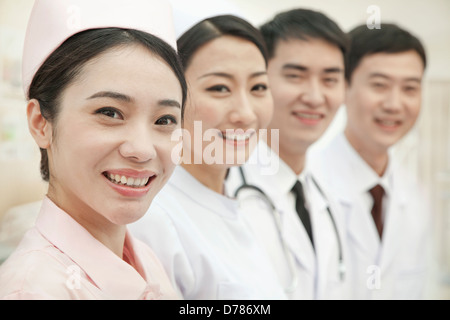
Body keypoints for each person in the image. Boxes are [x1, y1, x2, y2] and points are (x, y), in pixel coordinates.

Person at [0, 0, 187, 300]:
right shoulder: (32, 291)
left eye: (164, 120)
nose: (142, 150)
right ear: (40, 123)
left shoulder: (146, 261)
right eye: (110, 112)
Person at [130, 15, 286, 299]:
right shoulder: (153, 219)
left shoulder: (248, 202)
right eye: (219, 88)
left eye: (258, 87)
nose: (246, 114)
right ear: (172, 95)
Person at [226, 8, 350, 299]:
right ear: (258, 81)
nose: (315, 97)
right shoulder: (226, 191)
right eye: (295, 76)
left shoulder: (327, 195)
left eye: (330, 80)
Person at [308, 23, 432, 299]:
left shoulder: (414, 195)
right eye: (379, 85)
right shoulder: (308, 185)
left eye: (410, 88)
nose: (394, 104)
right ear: (343, 87)